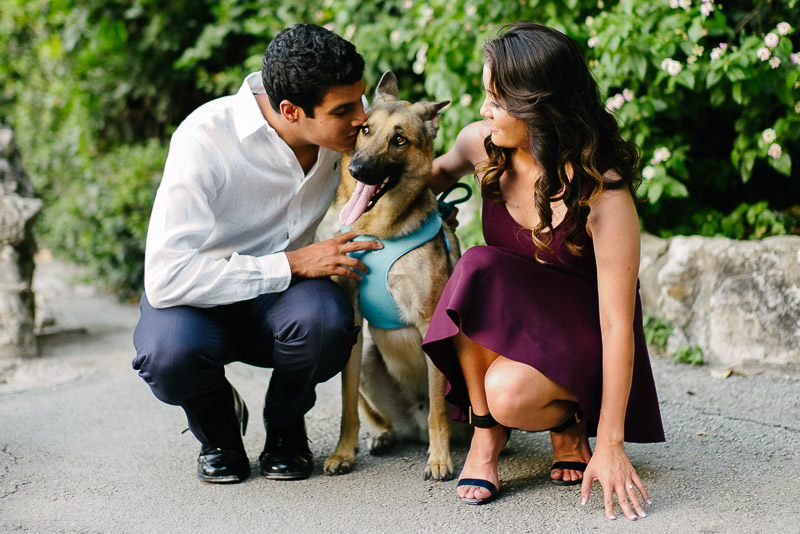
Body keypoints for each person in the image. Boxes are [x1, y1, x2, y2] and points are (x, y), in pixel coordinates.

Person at [422, 22, 665, 520]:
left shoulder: (603, 192)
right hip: (518, 316)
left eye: (496, 98)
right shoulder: (483, 144)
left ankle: (573, 419)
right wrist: (352, 164)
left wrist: (611, 442)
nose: (483, 109)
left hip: (582, 332)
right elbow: (421, 179)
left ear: (538, 106)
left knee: (511, 394)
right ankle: (485, 436)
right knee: (477, 267)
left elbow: (619, 323)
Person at [132, 23, 382, 484]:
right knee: (167, 356)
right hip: (196, 302)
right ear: (289, 110)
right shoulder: (204, 138)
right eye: (344, 109)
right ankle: (220, 433)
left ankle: (286, 427)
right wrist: (291, 263)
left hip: (284, 302)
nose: (360, 118)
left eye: (361, 100)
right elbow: (166, 278)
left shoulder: (344, 139)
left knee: (328, 324)